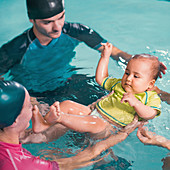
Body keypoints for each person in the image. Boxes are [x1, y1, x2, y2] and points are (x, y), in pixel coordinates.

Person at [0, 80, 142, 170]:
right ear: (15, 121)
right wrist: (122, 134)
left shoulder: (7, 129)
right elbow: (75, 161)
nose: (33, 107)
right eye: (28, 106)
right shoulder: (22, 164)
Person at [0, 0, 134, 93]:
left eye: (61, 17)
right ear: (32, 20)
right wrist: (28, 100)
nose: (57, 27)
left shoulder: (75, 31)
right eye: (48, 22)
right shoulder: (16, 49)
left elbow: (115, 52)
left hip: (67, 82)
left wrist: (145, 67)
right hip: (34, 94)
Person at [31, 42, 161, 135]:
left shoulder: (150, 97)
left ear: (150, 84)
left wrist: (136, 103)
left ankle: (59, 118)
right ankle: (43, 125)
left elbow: (150, 114)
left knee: (93, 122)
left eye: (136, 76)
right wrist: (104, 57)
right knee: (67, 104)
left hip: (108, 127)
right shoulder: (119, 85)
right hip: (93, 112)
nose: (128, 79)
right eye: (127, 73)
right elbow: (101, 79)